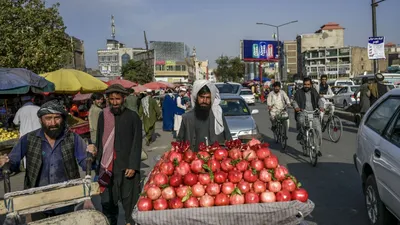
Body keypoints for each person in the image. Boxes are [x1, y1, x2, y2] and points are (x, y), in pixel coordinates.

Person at [0, 100, 97, 220]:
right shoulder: (29, 139)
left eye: (57, 118)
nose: (53, 123)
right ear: (41, 120)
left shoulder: (72, 138)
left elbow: (85, 163)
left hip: (67, 198)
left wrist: (92, 156)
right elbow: (13, 162)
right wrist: (5, 162)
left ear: (63, 119)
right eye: (48, 118)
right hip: (37, 201)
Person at [96, 84, 142, 225]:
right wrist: (98, 162)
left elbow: (137, 143)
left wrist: (133, 165)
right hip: (108, 167)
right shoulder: (103, 116)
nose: (114, 102)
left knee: (130, 202)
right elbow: (99, 140)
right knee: (108, 202)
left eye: (117, 99)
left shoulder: (133, 116)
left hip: (127, 167)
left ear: (124, 98)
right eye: (111, 99)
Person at [177, 80, 232, 152]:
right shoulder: (187, 118)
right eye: (202, 97)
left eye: (208, 97)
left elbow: (228, 138)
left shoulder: (217, 115)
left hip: (215, 159)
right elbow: (180, 142)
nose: (204, 101)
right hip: (194, 160)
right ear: (196, 97)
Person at [292, 77, 324, 156]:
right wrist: (296, 107)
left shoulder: (314, 91)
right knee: (302, 125)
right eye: (305, 84)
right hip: (302, 113)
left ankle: (317, 149)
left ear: (311, 85)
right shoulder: (299, 92)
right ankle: (302, 135)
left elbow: (319, 100)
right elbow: (294, 101)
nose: (306, 86)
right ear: (303, 84)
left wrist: (321, 107)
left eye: (308, 84)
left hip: (314, 113)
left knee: (319, 131)